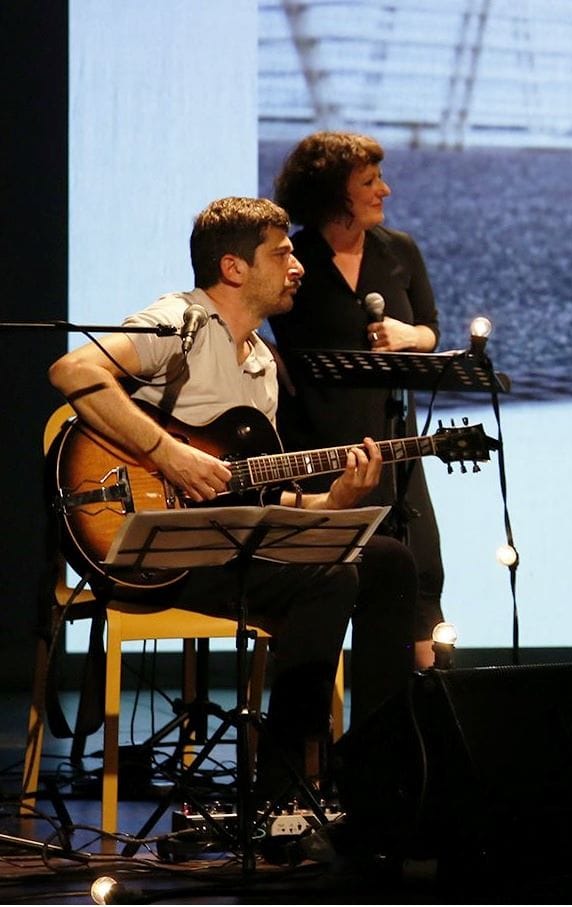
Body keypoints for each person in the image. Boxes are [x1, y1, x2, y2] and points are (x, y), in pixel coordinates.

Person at [47, 196, 417, 799]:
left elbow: (259, 497)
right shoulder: (179, 321)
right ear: (234, 267)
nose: (298, 265)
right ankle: (281, 785)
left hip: (223, 546)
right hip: (151, 554)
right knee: (328, 577)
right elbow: (74, 372)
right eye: (283, 254)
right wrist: (168, 455)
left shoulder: (263, 363)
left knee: (389, 560)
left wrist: (334, 502)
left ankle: (376, 767)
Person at [269, 131, 445, 670]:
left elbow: (432, 330)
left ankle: (414, 734)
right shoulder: (292, 258)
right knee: (327, 597)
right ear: (332, 193)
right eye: (368, 182)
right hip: (315, 453)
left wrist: (409, 337)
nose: (384, 191)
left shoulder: (399, 252)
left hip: (394, 447)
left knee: (420, 584)